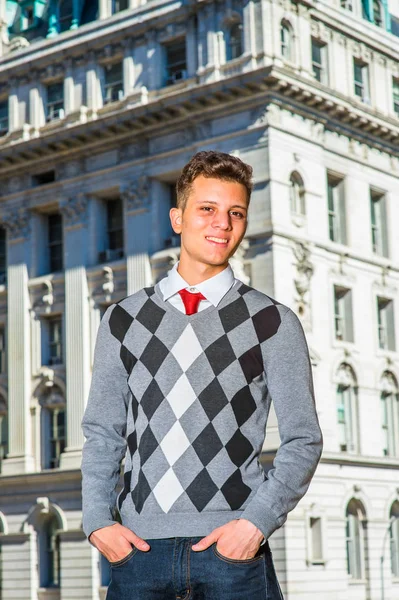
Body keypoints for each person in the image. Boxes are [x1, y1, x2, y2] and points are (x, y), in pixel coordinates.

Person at [81, 150, 323, 599]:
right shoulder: (122, 320)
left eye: (236, 213)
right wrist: (97, 523)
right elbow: (102, 432)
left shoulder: (272, 321)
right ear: (178, 218)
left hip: (232, 555)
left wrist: (254, 525)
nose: (222, 224)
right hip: (138, 554)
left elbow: (304, 439)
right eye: (207, 209)